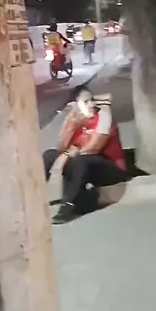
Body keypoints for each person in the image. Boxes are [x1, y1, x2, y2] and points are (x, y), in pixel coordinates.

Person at [43, 85, 128, 224]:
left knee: (80, 160)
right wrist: (72, 126)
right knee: (49, 155)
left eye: (92, 100)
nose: (92, 104)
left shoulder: (104, 115)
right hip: (82, 165)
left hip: (109, 168)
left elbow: (94, 148)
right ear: (75, 105)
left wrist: (67, 155)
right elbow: (61, 148)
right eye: (86, 102)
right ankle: (36, 197)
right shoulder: (73, 118)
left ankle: (67, 208)